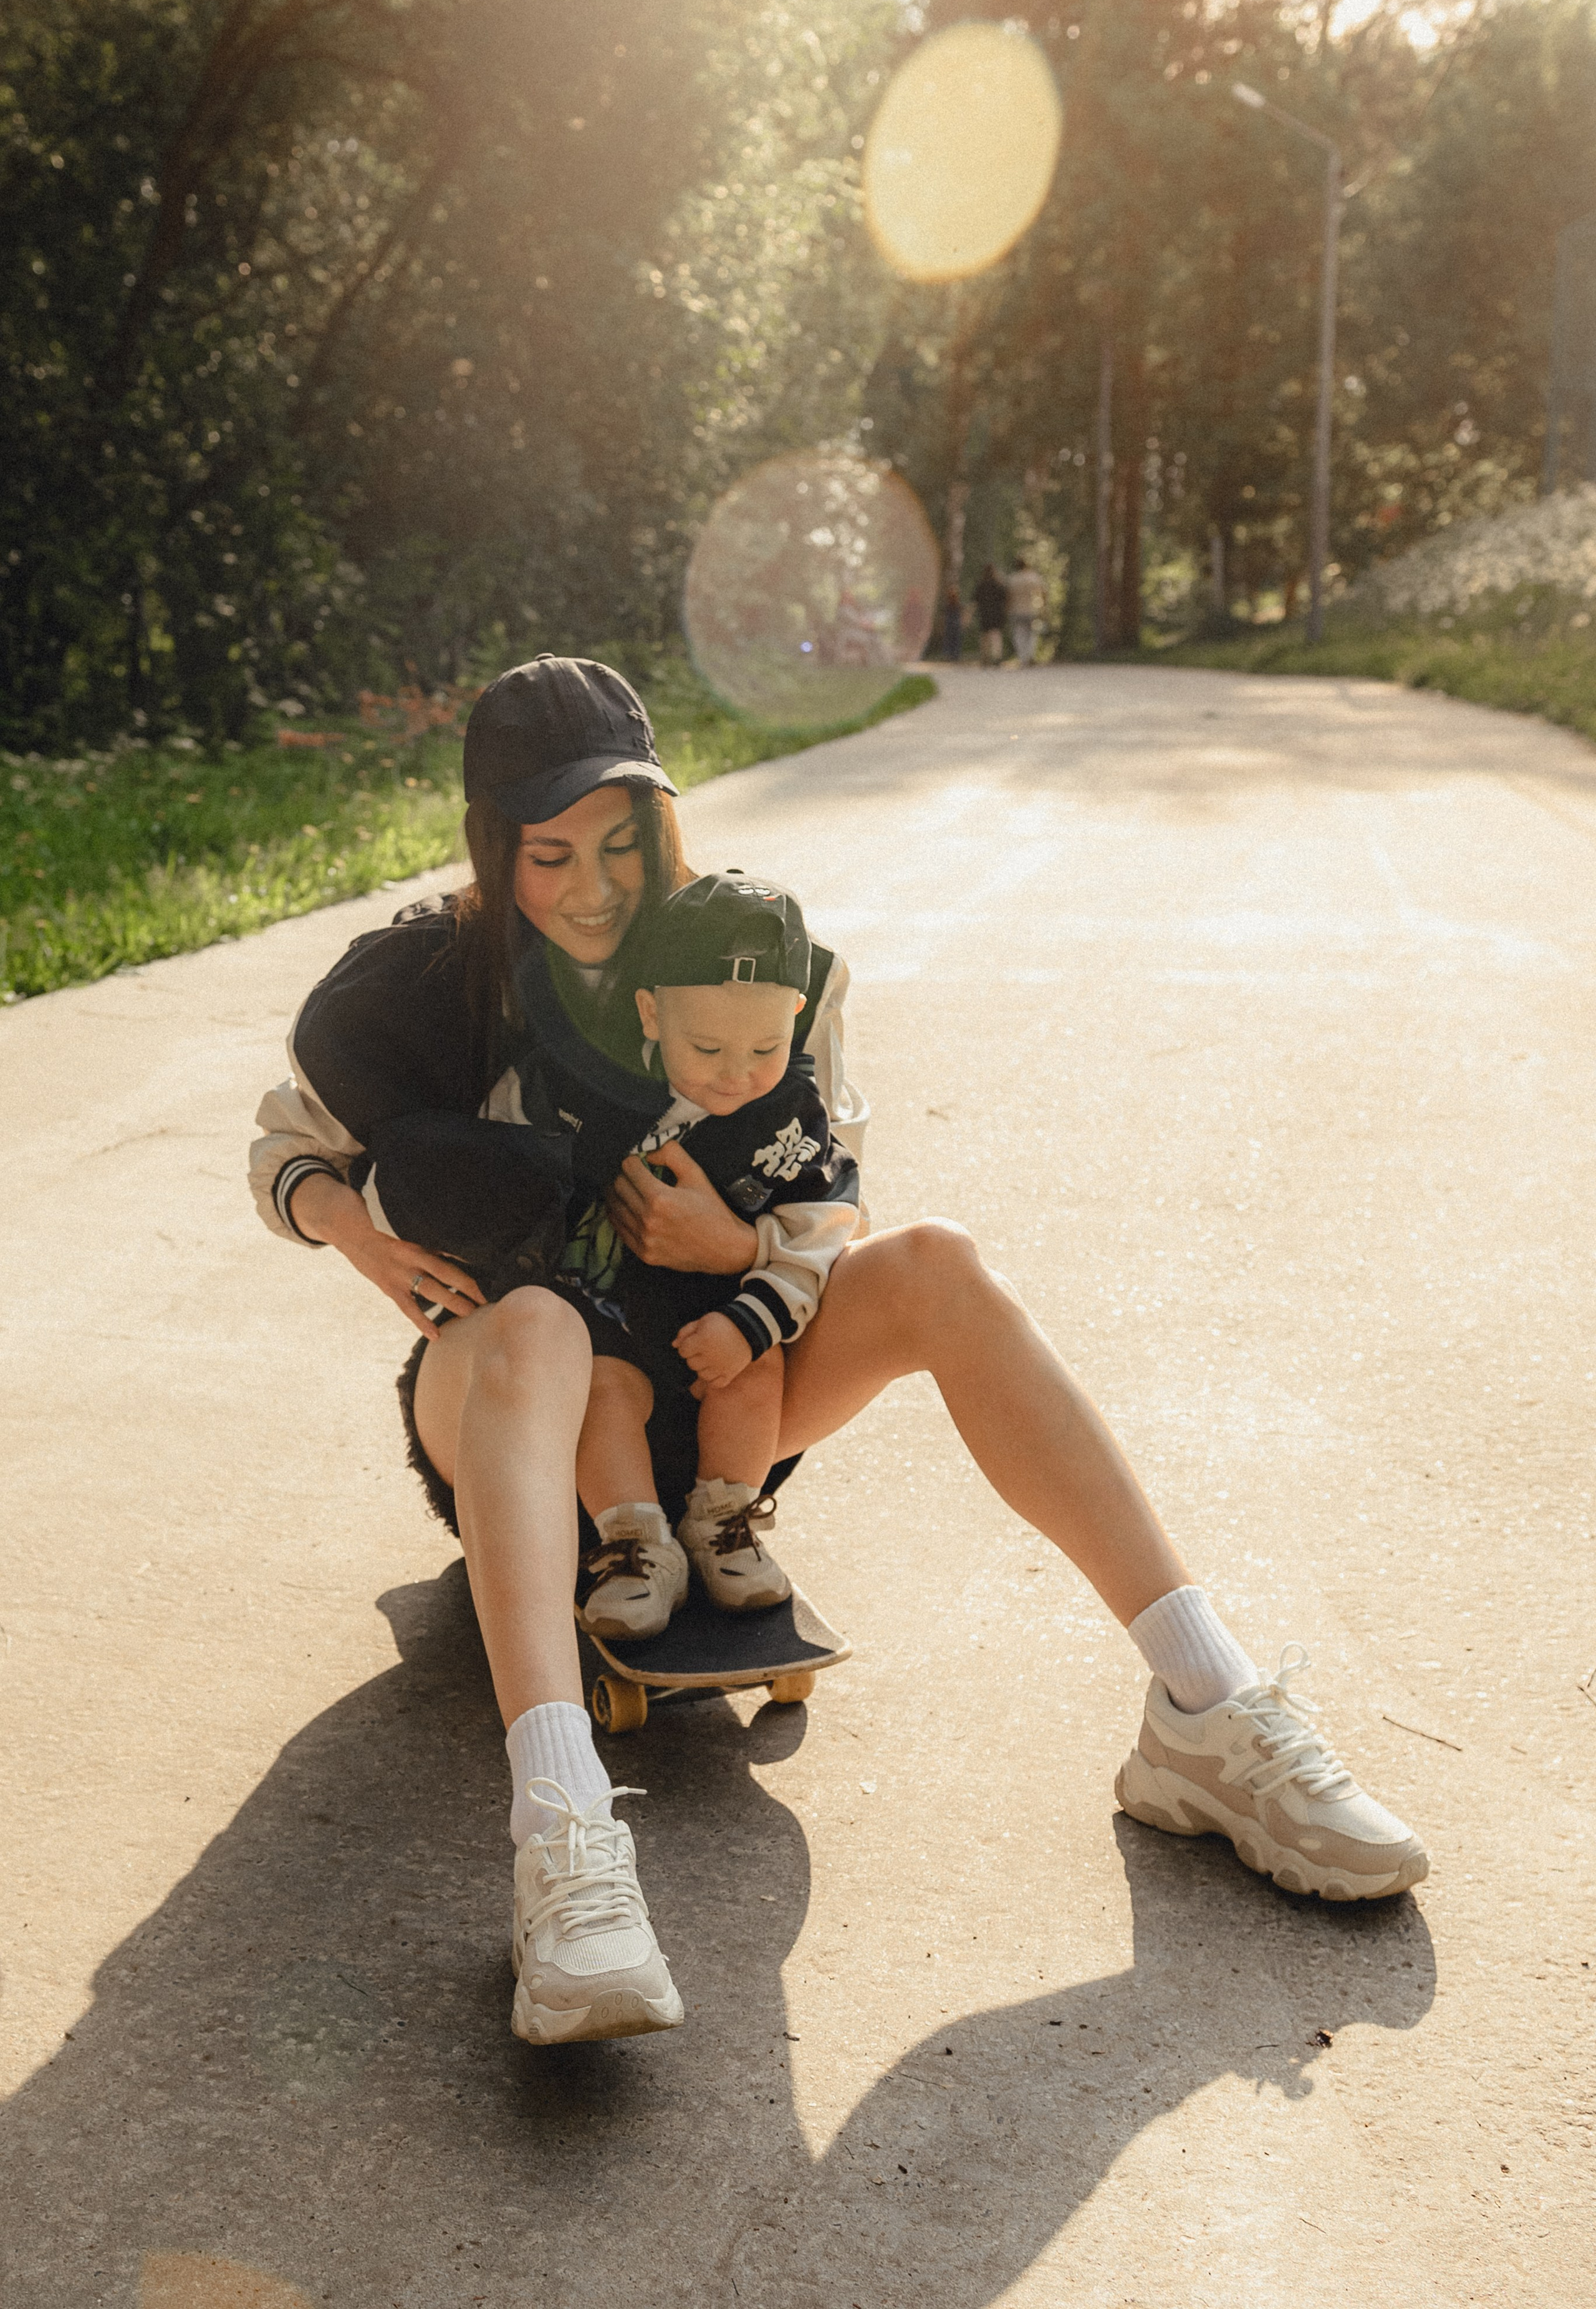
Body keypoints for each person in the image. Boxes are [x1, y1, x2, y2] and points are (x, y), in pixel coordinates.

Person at [250, 656, 1428, 2050]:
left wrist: (729, 1258)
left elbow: (829, 1191)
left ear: (661, 828)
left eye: (619, 844)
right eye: (545, 850)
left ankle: (1203, 1709)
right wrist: (359, 1232)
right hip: (518, 1408)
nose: (586, 886)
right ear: (491, 844)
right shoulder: (425, 979)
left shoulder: (748, 962)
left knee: (938, 1262)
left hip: (724, 1383)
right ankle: (562, 1840)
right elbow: (284, 1140)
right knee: (535, 1317)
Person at [544, 871, 859, 1641]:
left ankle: (726, 1522)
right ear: (651, 1012)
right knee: (602, 1391)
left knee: (759, 1372)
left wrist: (749, 1321)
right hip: (610, 1306)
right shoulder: (603, 1085)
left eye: (766, 1046)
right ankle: (634, 1547)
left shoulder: (792, 1117)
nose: (737, 1072)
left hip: (721, 1307)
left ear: (795, 1012)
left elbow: (820, 1231)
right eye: (708, 1046)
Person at [1006, 557, 1047, 667]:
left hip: (1017, 609)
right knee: (1032, 634)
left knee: (1019, 634)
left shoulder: (1013, 579)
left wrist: (1007, 608)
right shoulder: (1033, 577)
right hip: (1032, 609)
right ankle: (1030, 656)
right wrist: (1043, 606)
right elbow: (1043, 592)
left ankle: (1022, 658)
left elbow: (1009, 596)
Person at [973, 563, 1008, 663]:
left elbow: (975, 600)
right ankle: (997, 656)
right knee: (996, 635)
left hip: (984, 613)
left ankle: (985, 657)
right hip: (997, 613)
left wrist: (970, 614)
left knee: (985, 636)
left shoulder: (981, 585)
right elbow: (1005, 599)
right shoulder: (998, 585)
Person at [940, 582, 964, 663]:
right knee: (952, 639)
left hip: (953, 624)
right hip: (952, 624)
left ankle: (953, 655)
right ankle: (952, 655)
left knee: (953, 639)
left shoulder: (955, 605)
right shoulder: (951, 605)